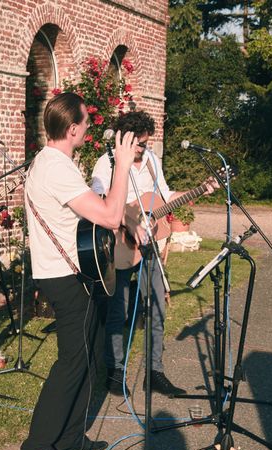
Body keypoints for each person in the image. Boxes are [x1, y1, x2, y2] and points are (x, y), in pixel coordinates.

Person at [20, 92, 137, 450]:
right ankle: (38, 444)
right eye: (86, 121)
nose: (89, 126)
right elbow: (111, 216)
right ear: (72, 128)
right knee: (72, 361)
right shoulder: (56, 167)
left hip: (72, 270)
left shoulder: (54, 162)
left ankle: (69, 435)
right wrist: (121, 166)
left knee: (89, 354)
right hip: (64, 275)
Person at [91, 110, 216, 397]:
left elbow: (165, 197)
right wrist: (131, 222)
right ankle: (115, 370)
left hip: (149, 248)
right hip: (120, 245)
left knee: (157, 307)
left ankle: (155, 372)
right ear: (123, 139)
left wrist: (199, 190)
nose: (142, 149)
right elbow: (99, 201)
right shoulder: (106, 162)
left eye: (145, 144)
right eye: (138, 143)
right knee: (118, 310)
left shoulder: (151, 162)